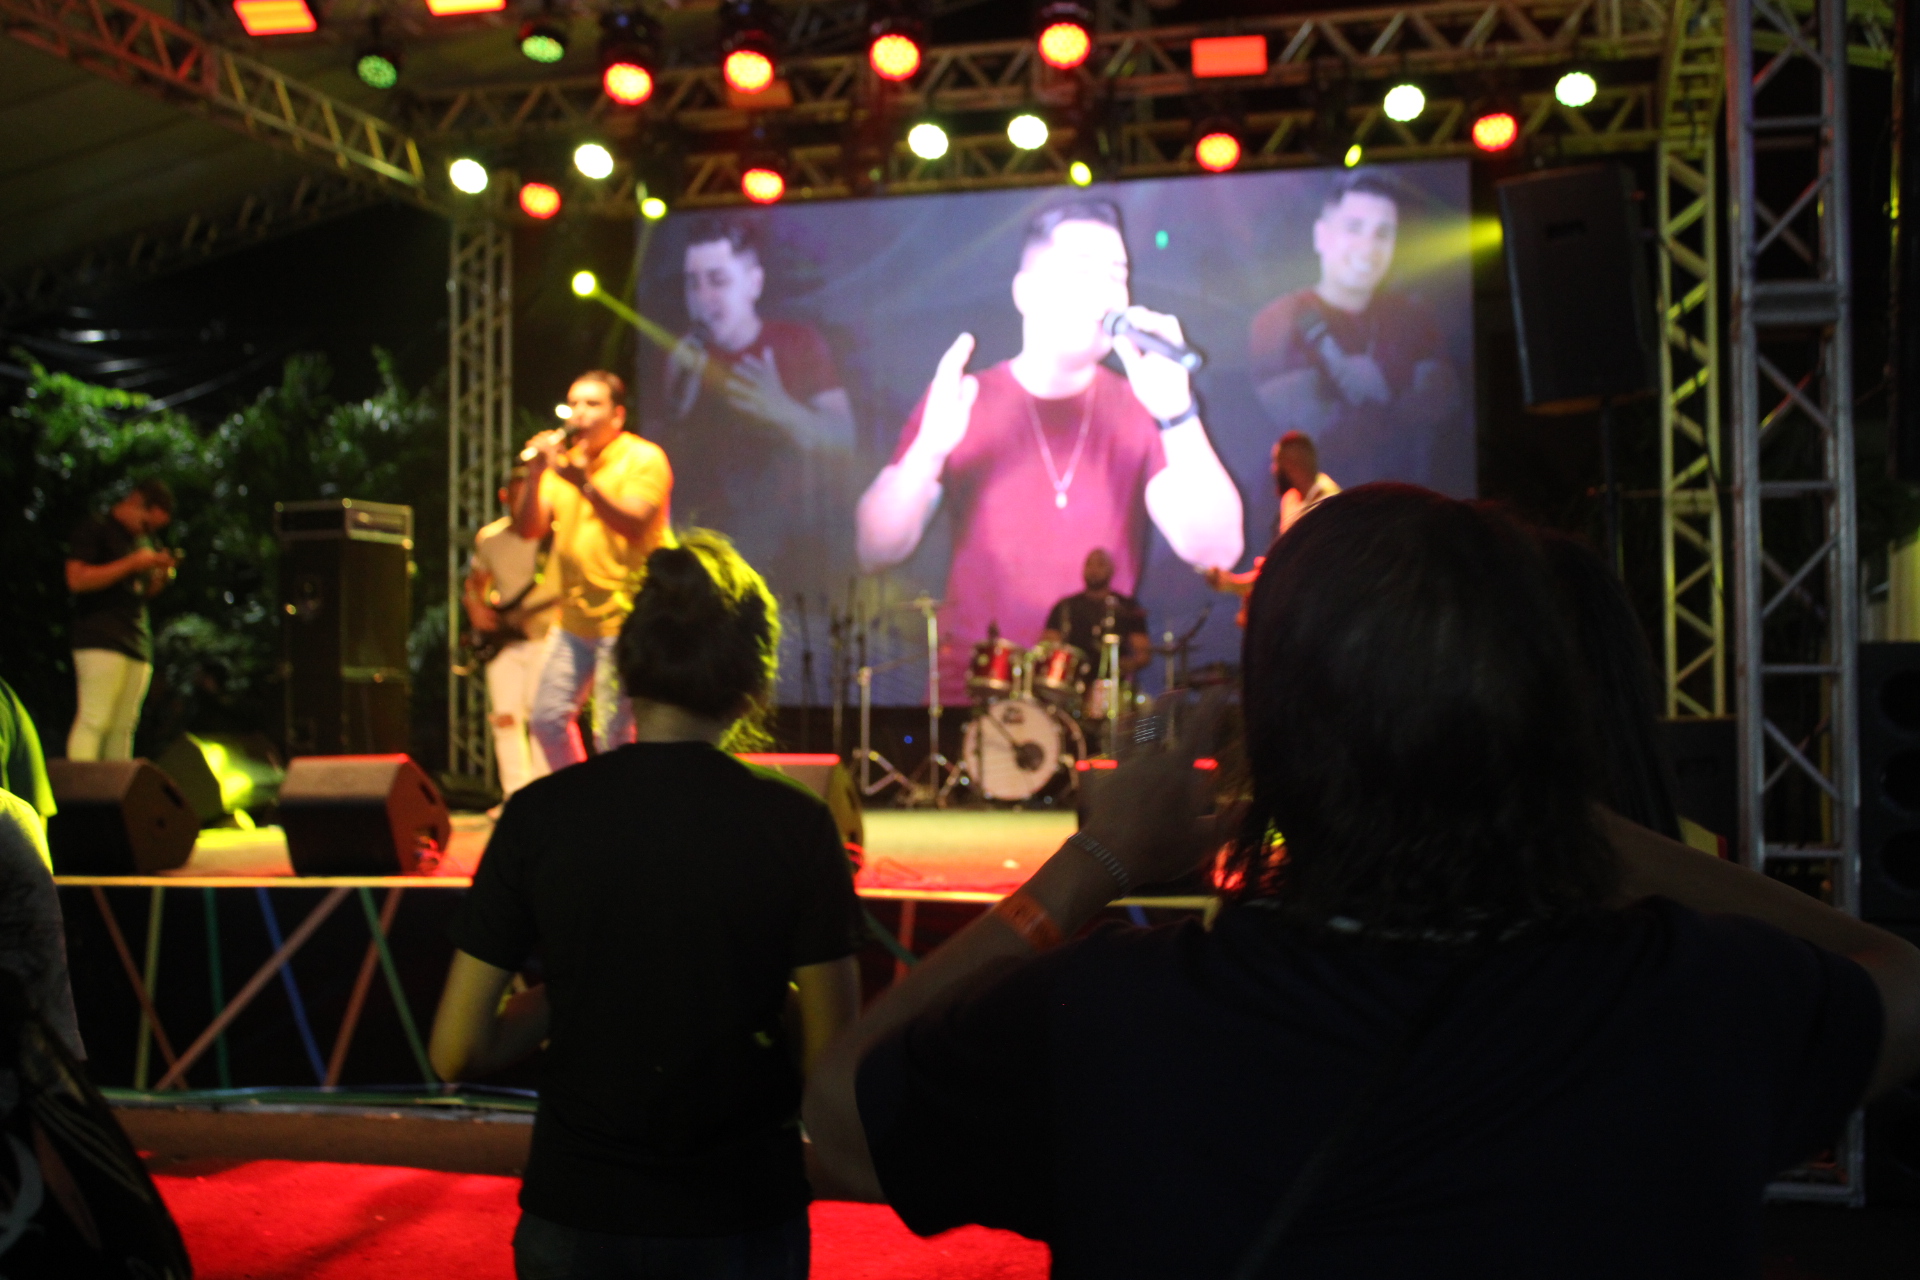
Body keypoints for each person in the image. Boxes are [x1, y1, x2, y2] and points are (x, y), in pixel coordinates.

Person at [804, 485, 1920, 1278]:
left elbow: (840, 1115)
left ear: (1274, 737)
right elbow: (1900, 975)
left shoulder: (1117, 1017)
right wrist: (1561, 810)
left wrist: (1098, 861)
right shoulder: (1690, 1001)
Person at [430, 531, 864, 1280]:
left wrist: (582, 985)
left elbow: (455, 1050)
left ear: (626, 670)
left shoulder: (539, 816)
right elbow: (834, 1060)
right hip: (739, 1213)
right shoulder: (797, 824)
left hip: (578, 1213)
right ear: (754, 681)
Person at [856, 199, 1243, 704]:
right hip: (972, 693)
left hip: (1092, 698)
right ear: (1026, 291)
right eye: (1082, 270)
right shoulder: (965, 397)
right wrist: (927, 451)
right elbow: (875, 548)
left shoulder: (1141, 406)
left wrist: (1177, 413)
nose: (1105, 291)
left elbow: (1217, 551)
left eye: (1117, 273)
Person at [656, 217, 857, 599]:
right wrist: (678, 404)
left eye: (718, 280)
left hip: (792, 554)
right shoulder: (683, 357)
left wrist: (780, 407)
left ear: (754, 283)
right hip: (708, 550)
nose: (703, 297)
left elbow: (844, 438)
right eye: (692, 283)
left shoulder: (795, 342)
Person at [1248, 171, 1461, 488]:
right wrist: (1395, 397)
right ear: (1321, 236)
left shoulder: (1415, 318)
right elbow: (1311, 428)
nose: (1368, 247)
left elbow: (1441, 406)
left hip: (1406, 500)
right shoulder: (1278, 321)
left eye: (1382, 233)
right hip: (1316, 507)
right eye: (1354, 228)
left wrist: (1381, 390)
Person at [519, 371, 675, 770]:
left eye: (592, 404)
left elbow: (636, 523)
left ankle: (620, 805)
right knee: (546, 720)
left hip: (626, 618)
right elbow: (529, 529)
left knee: (613, 735)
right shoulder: (566, 465)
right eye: (574, 404)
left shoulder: (643, 458)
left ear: (617, 415)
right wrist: (536, 475)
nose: (580, 414)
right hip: (573, 621)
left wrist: (582, 483)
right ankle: (584, 798)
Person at [465, 463, 561, 805]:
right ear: (504, 497)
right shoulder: (490, 538)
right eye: (519, 496)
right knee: (505, 719)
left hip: (547, 638)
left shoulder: (559, 537)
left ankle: (543, 797)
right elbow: (476, 583)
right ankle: (515, 796)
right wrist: (476, 608)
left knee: (543, 720)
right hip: (504, 642)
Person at [64, 479, 177, 761]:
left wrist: (159, 574)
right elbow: (76, 579)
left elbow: (142, 592)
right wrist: (132, 563)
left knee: (124, 727)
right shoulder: (97, 528)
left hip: (136, 640)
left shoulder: (142, 542)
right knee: (95, 719)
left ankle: (116, 787)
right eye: (147, 524)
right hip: (100, 636)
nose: (147, 532)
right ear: (136, 502)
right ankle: (82, 785)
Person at [1202, 432, 1341, 622]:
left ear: (1290, 465)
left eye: (1276, 462)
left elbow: (1296, 570)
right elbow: (1285, 564)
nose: (1273, 469)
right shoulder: (1291, 499)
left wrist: (1234, 583)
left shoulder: (1326, 502)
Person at [1039, 548, 1150, 684]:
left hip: (1110, 684)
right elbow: (1048, 645)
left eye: (1100, 564)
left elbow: (1143, 651)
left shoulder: (1128, 607)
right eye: (1089, 564)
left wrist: (1127, 665)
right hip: (1072, 682)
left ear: (1112, 570)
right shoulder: (1065, 606)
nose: (1094, 570)